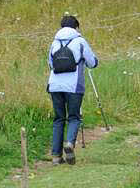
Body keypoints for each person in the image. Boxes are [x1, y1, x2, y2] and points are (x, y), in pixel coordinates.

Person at [47, 14, 99, 166]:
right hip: (73, 86)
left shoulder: (54, 43)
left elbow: (51, 64)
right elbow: (92, 62)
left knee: (58, 119)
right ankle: (69, 143)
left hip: (55, 85)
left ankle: (56, 156)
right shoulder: (80, 41)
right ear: (76, 27)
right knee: (74, 117)